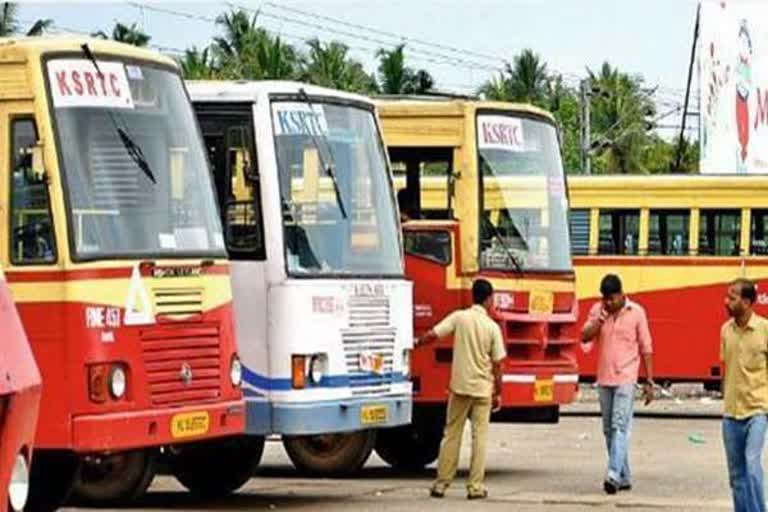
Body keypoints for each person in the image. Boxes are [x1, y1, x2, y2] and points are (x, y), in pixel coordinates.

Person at [416, 279, 505, 500]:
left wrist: (416, 343)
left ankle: (441, 484)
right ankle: (475, 486)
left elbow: (433, 334)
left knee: (451, 435)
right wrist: (498, 392)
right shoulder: (492, 327)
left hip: (460, 388)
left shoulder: (460, 318)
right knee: (479, 438)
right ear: (488, 299)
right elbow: (498, 364)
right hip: (483, 390)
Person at [581, 273, 654, 495]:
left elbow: (646, 347)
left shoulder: (637, 313)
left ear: (622, 295)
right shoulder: (597, 310)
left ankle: (613, 473)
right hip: (604, 378)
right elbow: (584, 336)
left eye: (612, 299)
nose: (609, 303)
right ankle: (624, 475)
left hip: (626, 378)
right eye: (606, 299)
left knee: (620, 425)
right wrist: (599, 320)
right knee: (608, 430)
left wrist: (649, 381)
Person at [721, 278, 768, 512]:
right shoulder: (725, 331)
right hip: (731, 413)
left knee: (751, 465)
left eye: (732, 297)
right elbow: (725, 369)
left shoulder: (764, 329)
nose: (726, 302)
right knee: (737, 476)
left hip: (757, 410)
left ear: (747, 302)